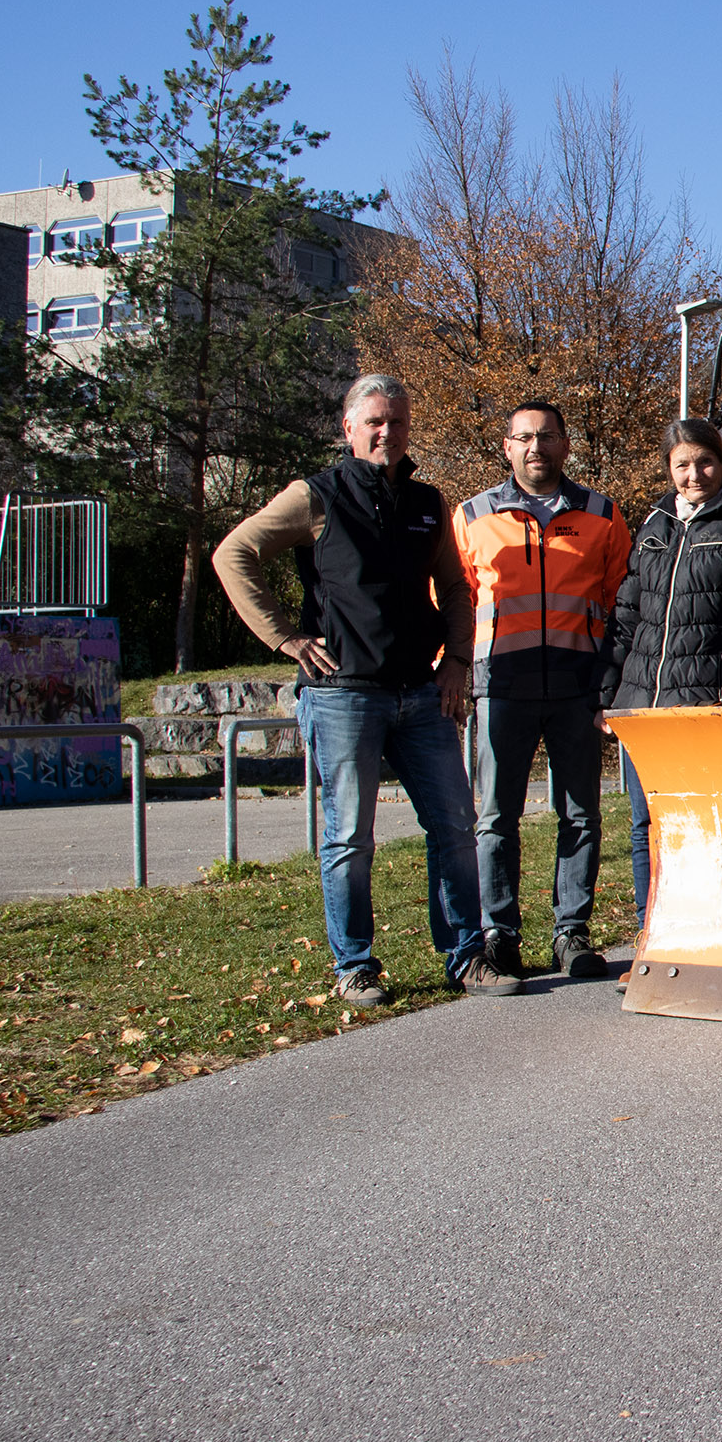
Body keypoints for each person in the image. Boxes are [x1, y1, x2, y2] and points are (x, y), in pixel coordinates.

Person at [212, 373, 517, 1005]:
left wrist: (457, 659)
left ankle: (466, 957)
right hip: (342, 694)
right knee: (349, 836)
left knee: (457, 826)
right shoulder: (314, 497)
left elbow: (457, 589)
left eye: (398, 422)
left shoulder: (429, 503)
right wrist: (286, 639)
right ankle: (354, 965)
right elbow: (233, 554)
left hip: (422, 693)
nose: (387, 432)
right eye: (375, 421)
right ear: (348, 429)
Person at [452, 400, 632, 980]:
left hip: (578, 687)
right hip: (499, 688)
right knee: (494, 818)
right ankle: (499, 936)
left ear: (565, 445)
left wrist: (611, 683)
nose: (537, 447)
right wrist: (451, 672)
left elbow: (622, 605)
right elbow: (450, 603)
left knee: (580, 814)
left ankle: (571, 933)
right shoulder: (472, 516)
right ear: (507, 447)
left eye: (548, 437)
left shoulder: (603, 515)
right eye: (524, 438)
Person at [600, 419, 722, 920]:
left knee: (707, 826)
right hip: (645, 709)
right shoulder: (654, 525)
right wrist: (608, 697)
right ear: (669, 469)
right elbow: (626, 617)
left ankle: (706, 934)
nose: (694, 474)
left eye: (704, 461)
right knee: (648, 827)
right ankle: (651, 935)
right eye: (682, 464)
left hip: (706, 709)